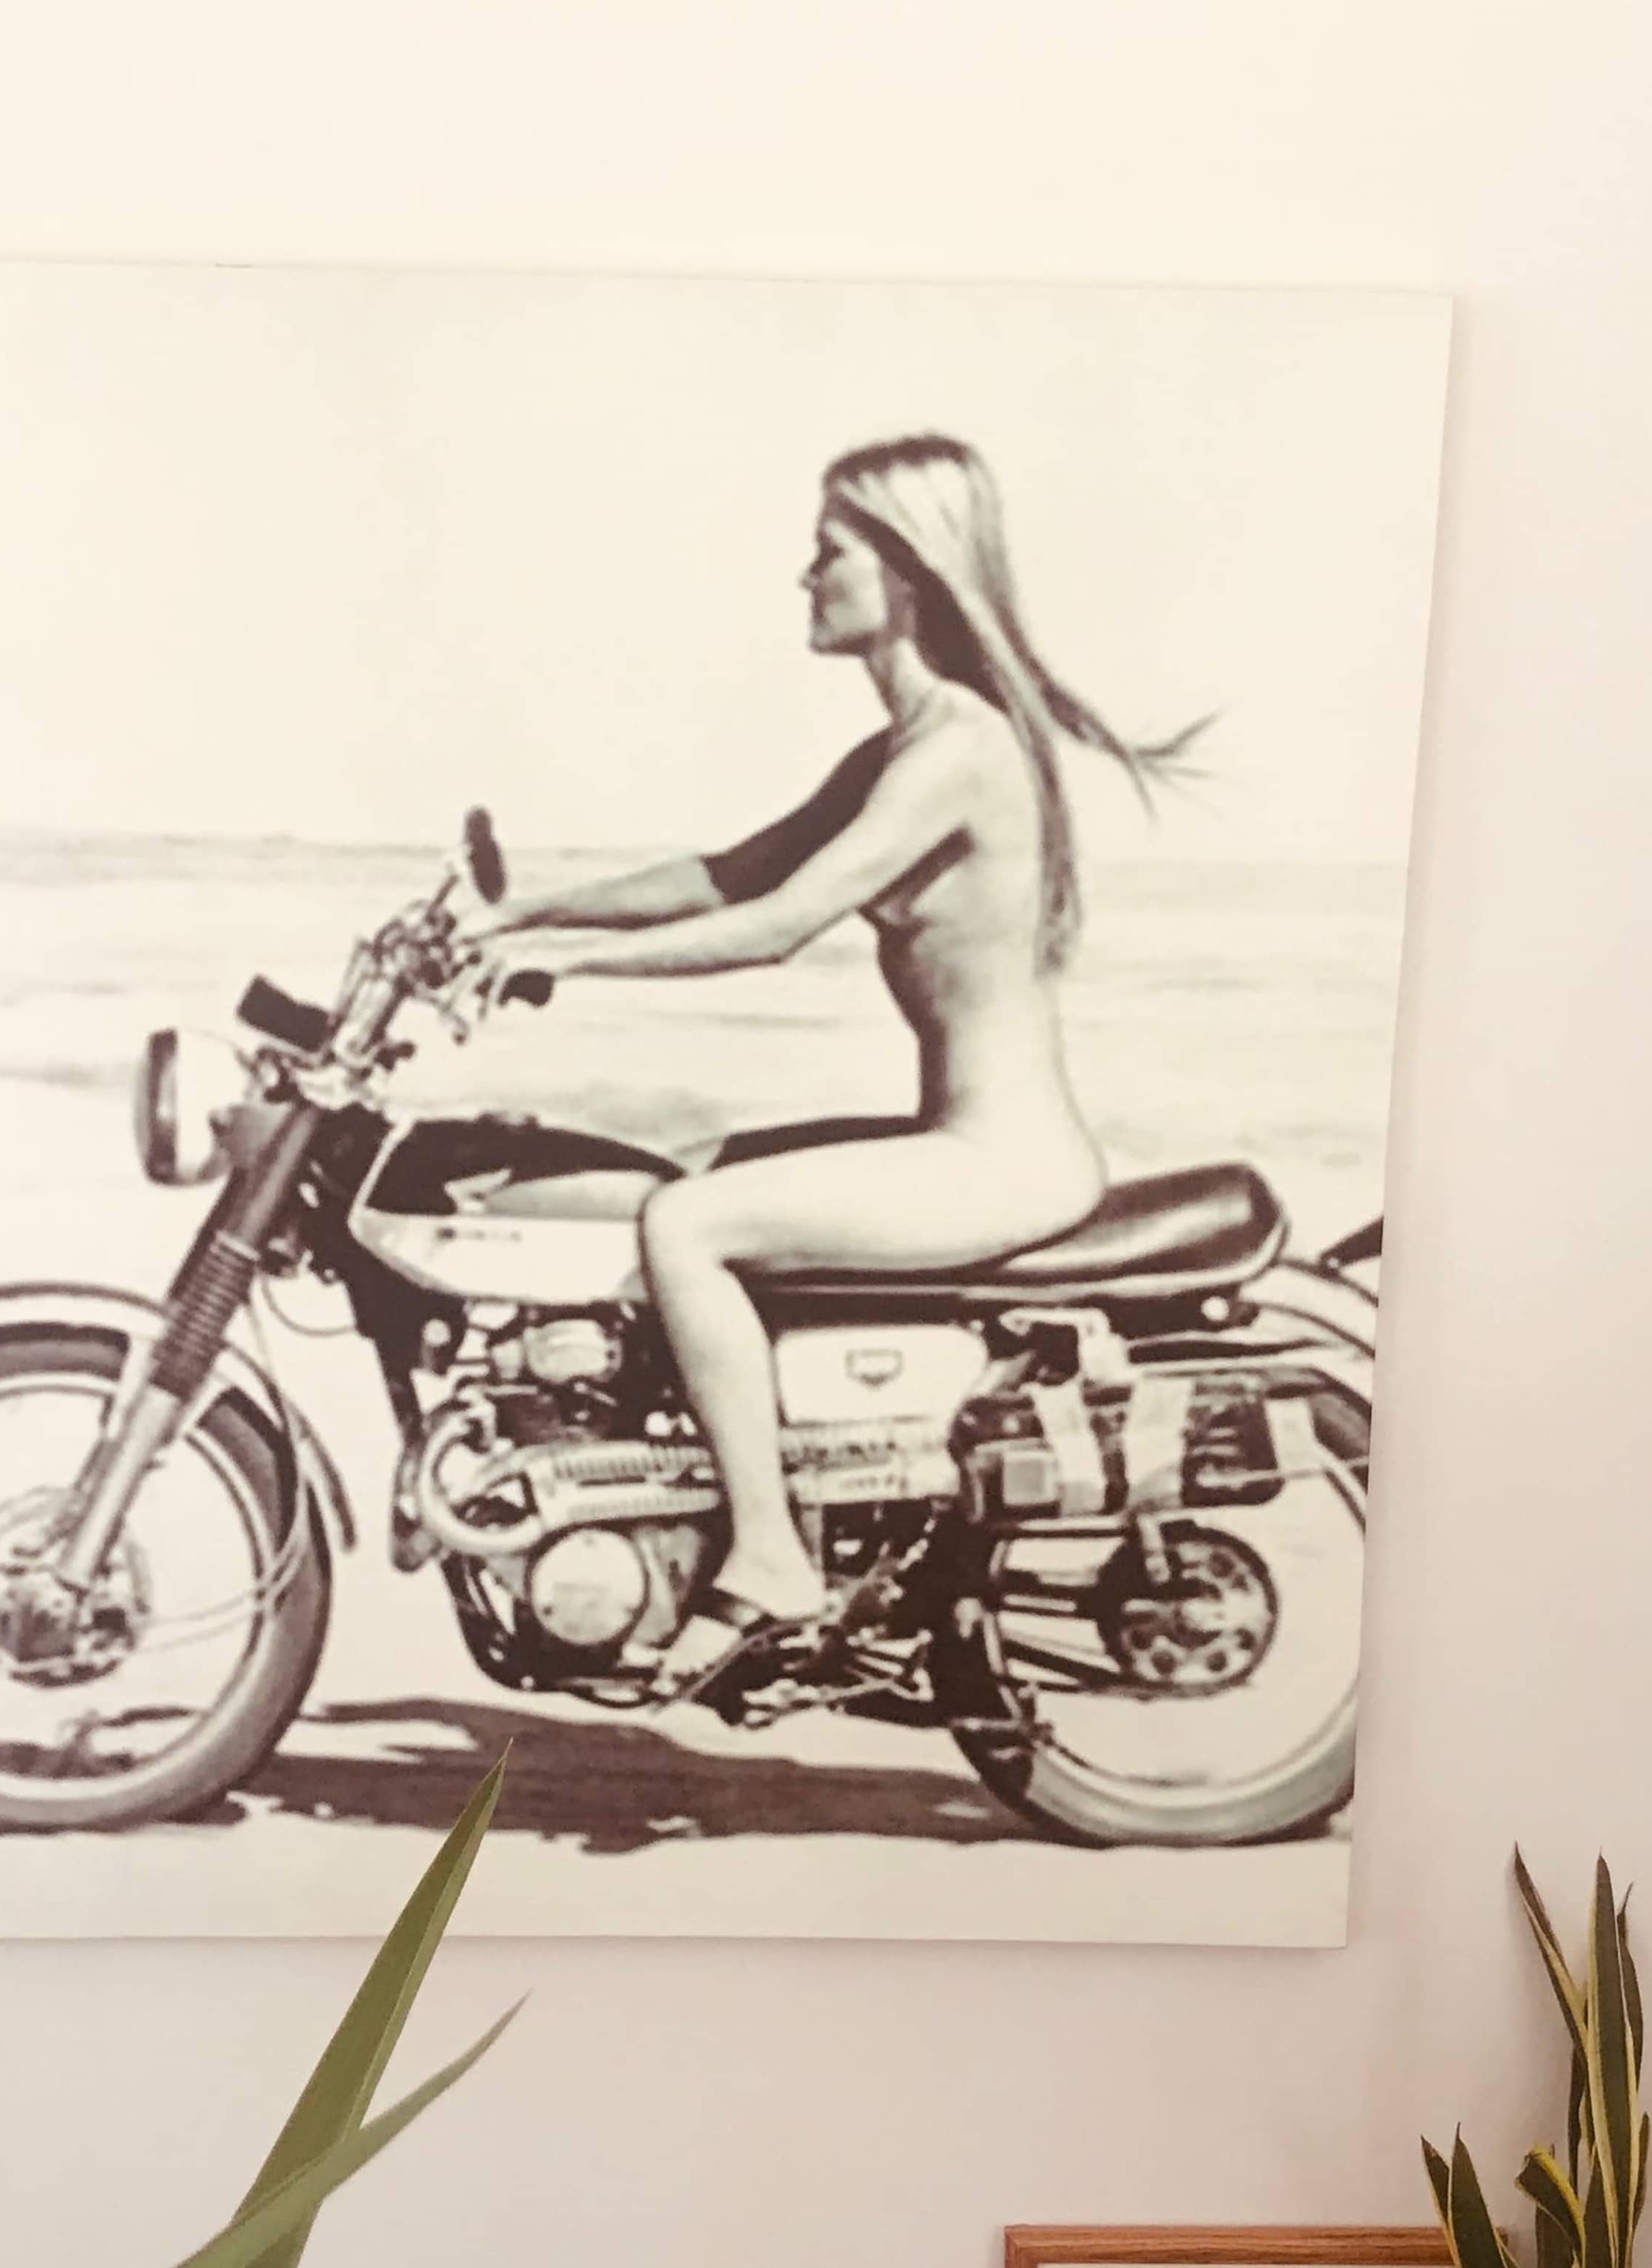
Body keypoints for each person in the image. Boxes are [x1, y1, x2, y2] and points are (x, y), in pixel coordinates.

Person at [470, 433, 1193, 1701]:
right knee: (717, 1168)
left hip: (1001, 1167)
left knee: (686, 1225)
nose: (805, 578)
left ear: (907, 573)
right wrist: (528, 916)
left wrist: (567, 973)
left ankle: (769, 1562)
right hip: (972, 1148)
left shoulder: (955, 750)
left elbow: (776, 925)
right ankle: (744, 1514)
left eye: (830, 554)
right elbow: (727, 874)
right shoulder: (906, 747)